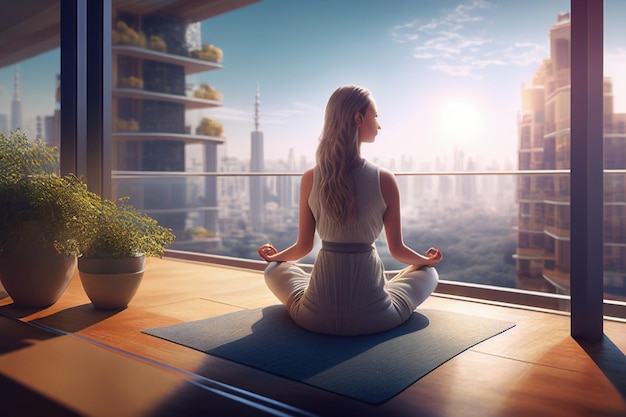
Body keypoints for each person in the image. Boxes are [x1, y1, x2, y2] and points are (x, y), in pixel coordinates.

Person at [258, 84, 442, 336]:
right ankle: (383, 287)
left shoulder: (310, 177)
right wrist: (426, 261)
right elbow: (398, 251)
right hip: (377, 318)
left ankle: (315, 291)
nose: (379, 125)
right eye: (375, 116)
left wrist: (274, 258)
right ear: (358, 118)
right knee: (428, 273)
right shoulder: (384, 179)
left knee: (274, 270)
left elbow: (302, 248)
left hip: (314, 318)